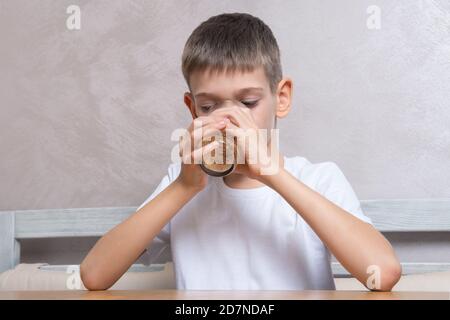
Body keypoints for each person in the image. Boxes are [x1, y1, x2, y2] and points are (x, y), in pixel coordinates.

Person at [80, 12, 401, 291]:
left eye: (248, 103)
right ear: (193, 110)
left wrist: (272, 174)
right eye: (209, 106)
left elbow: (382, 273)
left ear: (282, 98)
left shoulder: (318, 179)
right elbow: (95, 275)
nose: (229, 120)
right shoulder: (182, 185)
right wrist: (183, 187)